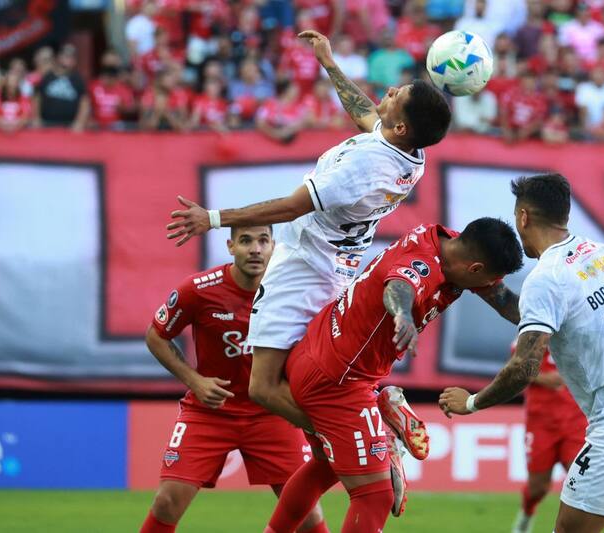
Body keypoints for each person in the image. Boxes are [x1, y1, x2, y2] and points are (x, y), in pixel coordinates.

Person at [165, 29, 451, 460]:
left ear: (401, 125)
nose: (388, 91)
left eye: (397, 94)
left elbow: (289, 207)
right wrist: (330, 64)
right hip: (338, 266)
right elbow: (367, 115)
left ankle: (368, 431)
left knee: (262, 386)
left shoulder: (364, 167)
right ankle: (369, 419)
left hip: (304, 266)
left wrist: (213, 218)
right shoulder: (409, 151)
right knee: (309, 376)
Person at [439, 173, 604, 533]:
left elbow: (523, 368)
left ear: (523, 217)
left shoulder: (546, 277)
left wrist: (471, 403)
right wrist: (602, 311)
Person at [265, 219, 525, 533]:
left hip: (316, 351)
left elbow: (505, 301)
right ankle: (381, 422)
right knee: (375, 495)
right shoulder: (426, 265)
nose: (492, 285)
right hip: (338, 382)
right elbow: (398, 286)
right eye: (490, 277)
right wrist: (402, 314)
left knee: (324, 466)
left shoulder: (447, 242)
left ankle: (380, 415)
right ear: (475, 268)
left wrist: (549, 322)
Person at [139, 225, 327, 533]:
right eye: (246, 241)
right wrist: (195, 381)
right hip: (210, 413)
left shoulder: (292, 292)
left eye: (263, 241)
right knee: (166, 502)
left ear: (273, 246)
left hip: (272, 413)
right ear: (230, 246)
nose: (255, 249)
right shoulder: (198, 289)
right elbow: (156, 336)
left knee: (307, 514)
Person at [512, 344, 588, 533]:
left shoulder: (580, 328)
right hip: (541, 422)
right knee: (538, 488)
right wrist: (543, 377)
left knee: (581, 480)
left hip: (575, 420)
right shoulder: (534, 330)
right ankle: (526, 514)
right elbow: (515, 368)